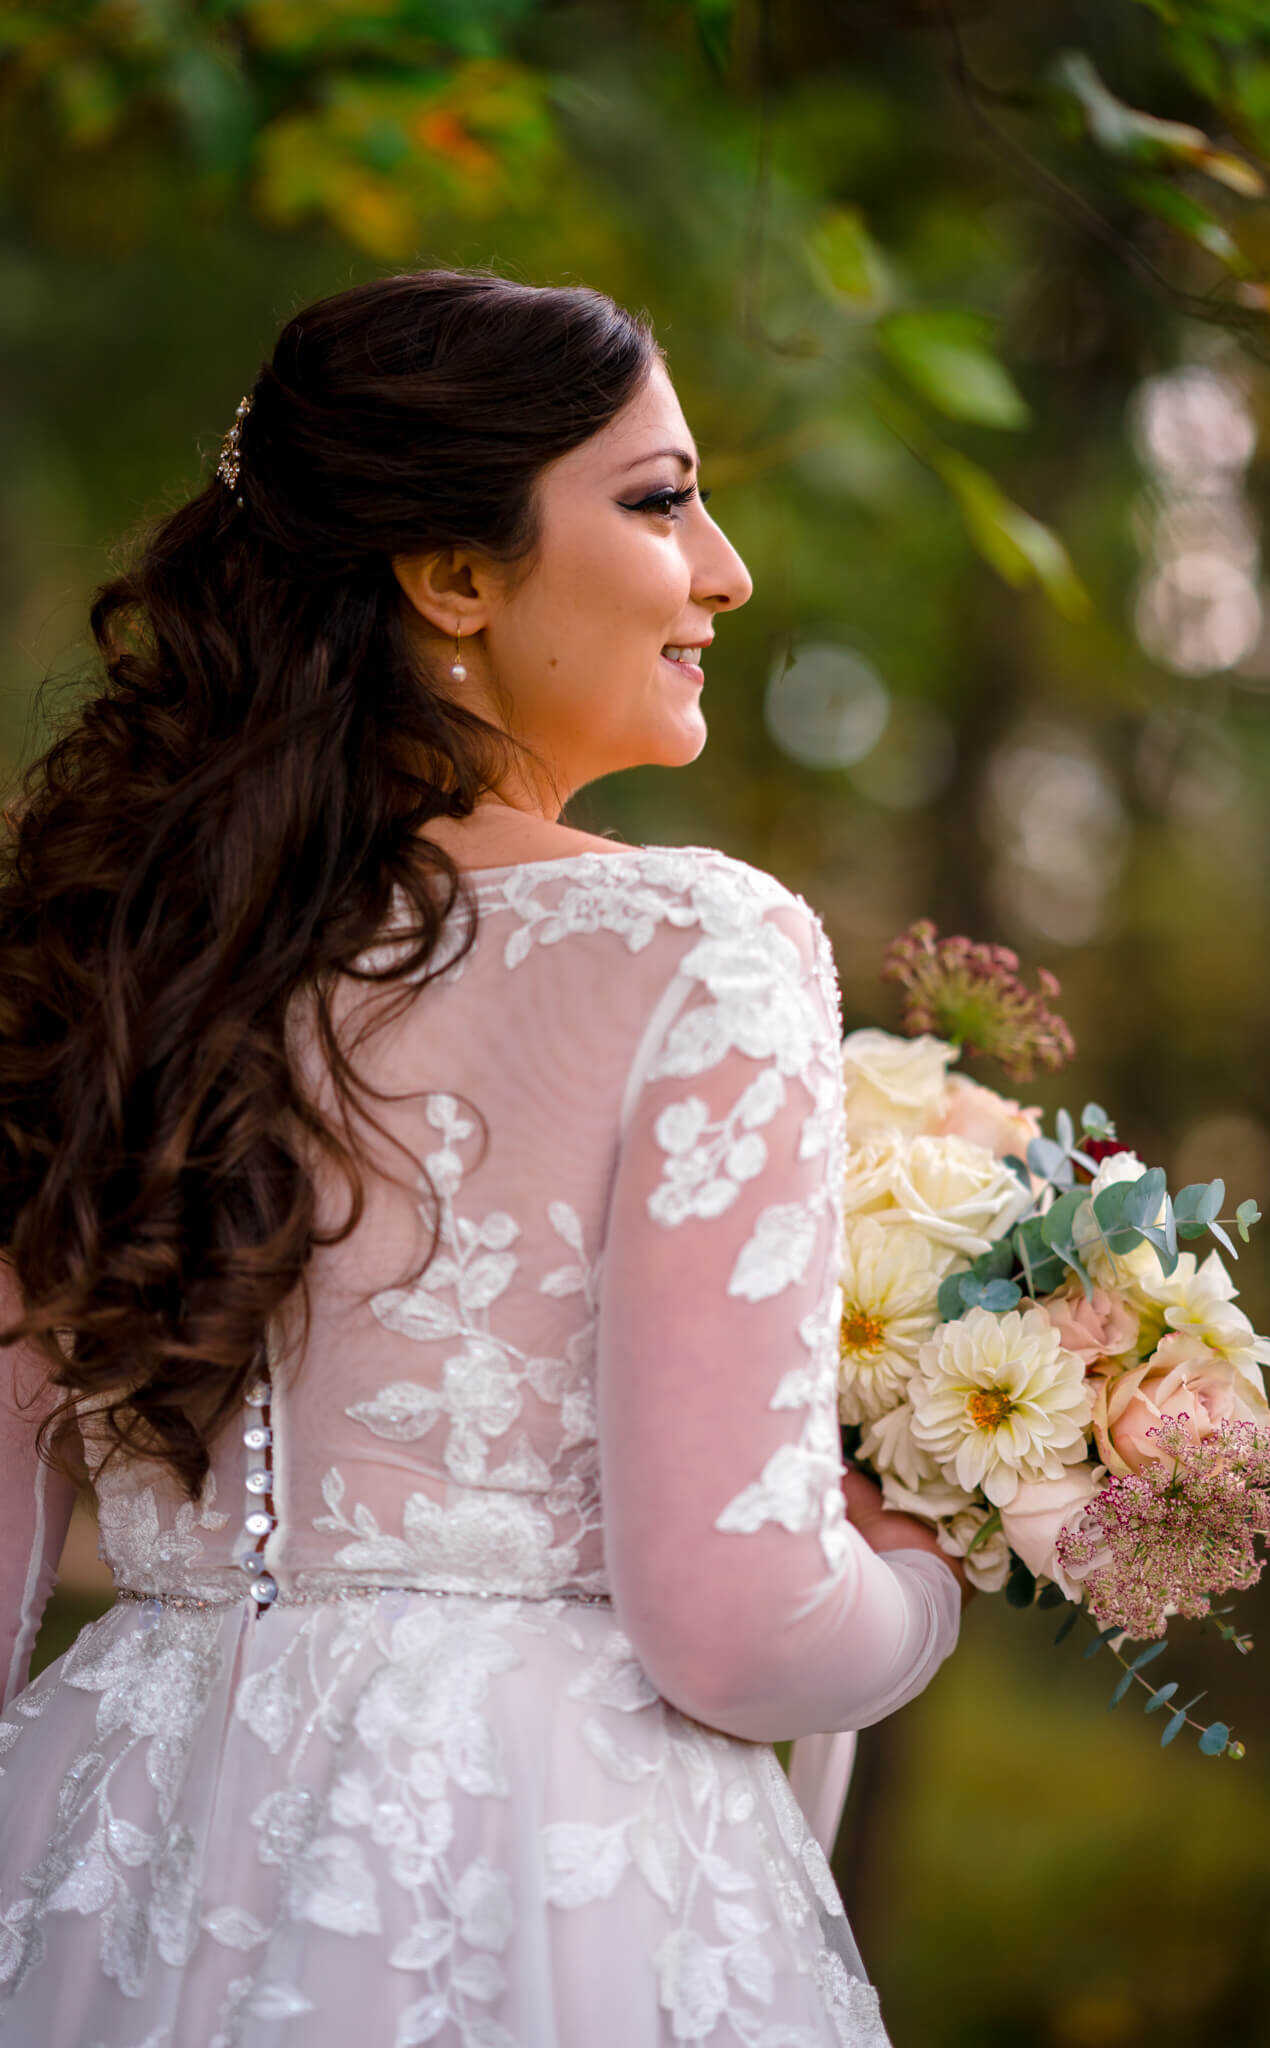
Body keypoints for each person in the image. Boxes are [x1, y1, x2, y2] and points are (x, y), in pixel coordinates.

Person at [0, 269, 965, 2047]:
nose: (726, 570)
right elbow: (733, 1633)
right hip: (535, 1856)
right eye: (661, 499)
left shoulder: (100, 963)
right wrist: (918, 1580)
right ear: (450, 575)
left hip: (100, 1845)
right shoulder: (698, 942)